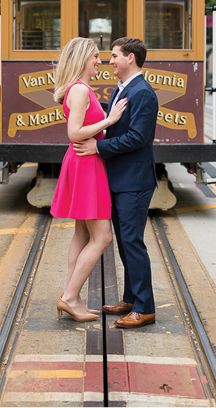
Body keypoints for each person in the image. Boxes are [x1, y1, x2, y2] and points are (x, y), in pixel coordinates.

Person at [75, 37, 159, 329]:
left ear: (130, 59)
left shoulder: (143, 93)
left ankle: (145, 308)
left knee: (133, 243)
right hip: (121, 178)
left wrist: (98, 148)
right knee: (125, 243)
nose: (110, 61)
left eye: (115, 56)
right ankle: (131, 299)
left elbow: (137, 138)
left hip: (134, 181)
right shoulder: (125, 88)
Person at [50, 37, 127, 322]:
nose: (100, 61)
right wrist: (109, 120)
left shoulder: (79, 88)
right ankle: (69, 297)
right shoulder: (80, 90)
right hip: (85, 163)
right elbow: (74, 132)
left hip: (83, 162)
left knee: (82, 234)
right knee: (103, 237)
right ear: (82, 58)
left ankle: (73, 297)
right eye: (95, 56)